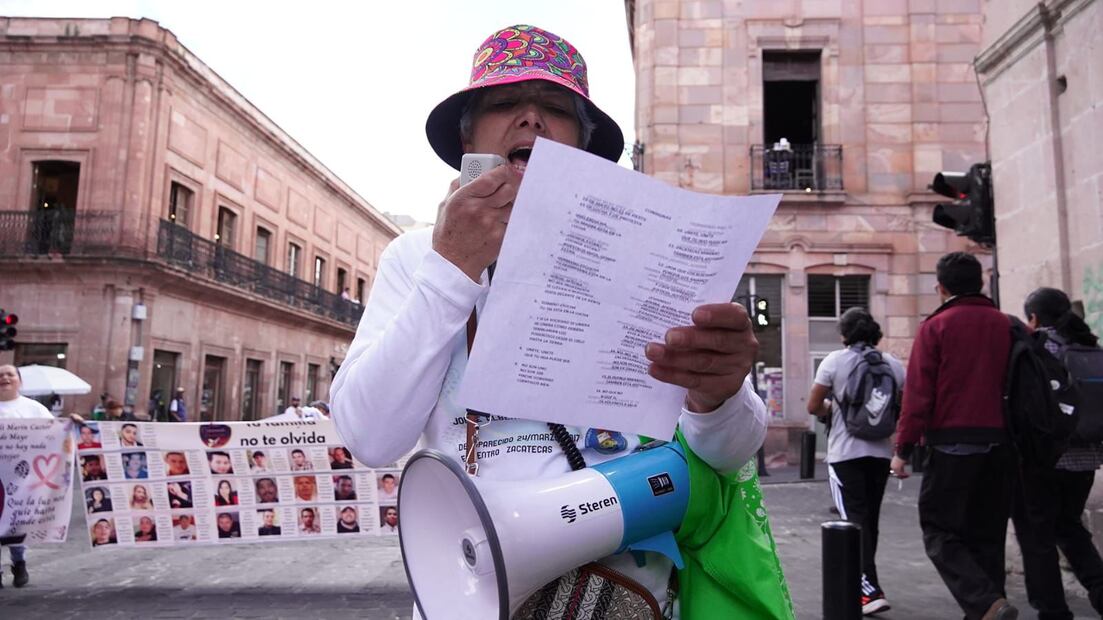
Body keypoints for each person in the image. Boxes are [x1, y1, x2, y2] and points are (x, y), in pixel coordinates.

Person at [329, 24, 768, 615]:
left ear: (584, 148)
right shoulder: (417, 257)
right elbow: (369, 436)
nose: (530, 120)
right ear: (468, 136)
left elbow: (725, 454)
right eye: (505, 103)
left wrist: (717, 397)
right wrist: (452, 270)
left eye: (555, 108)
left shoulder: (650, 251)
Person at [891, 252, 1016, 620]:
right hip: (1004, 443)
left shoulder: (937, 327)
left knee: (940, 529)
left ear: (940, 287)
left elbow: (919, 394)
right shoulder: (1009, 325)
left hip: (952, 442)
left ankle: (985, 603)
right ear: (981, 282)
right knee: (988, 533)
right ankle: (989, 607)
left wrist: (903, 449)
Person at [1010, 287, 1103, 618]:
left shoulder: (1032, 348)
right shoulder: (1089, 346)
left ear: (1032, 317)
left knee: (1038, 536)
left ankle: (1053, 610)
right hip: (1086, 456)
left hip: (1043, 457)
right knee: (1069, 526)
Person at [807, 307, 905, 615]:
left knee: (853, 520)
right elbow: (898, 406)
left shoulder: (835, 361)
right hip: (880, 453)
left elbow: (813, 405)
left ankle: (869, 588)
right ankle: (863, 584)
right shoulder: (894, 364)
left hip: (845, 453)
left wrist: (831, 408)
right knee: (869, 522)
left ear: (844, 334)